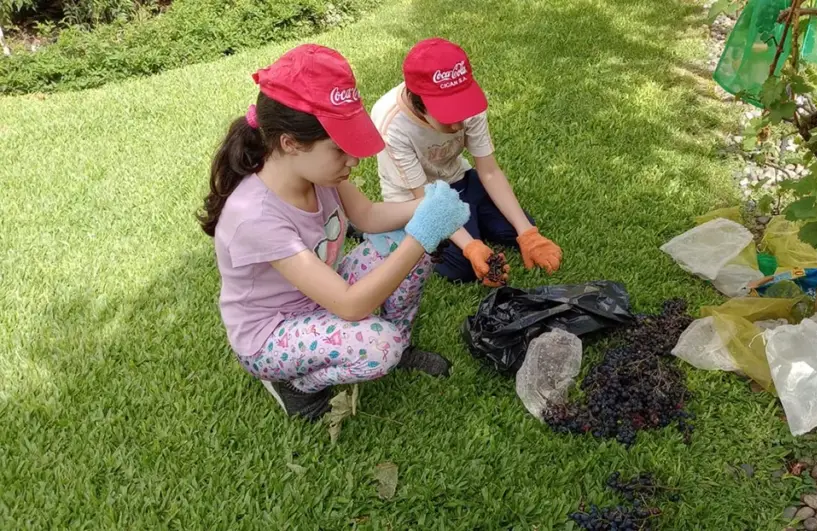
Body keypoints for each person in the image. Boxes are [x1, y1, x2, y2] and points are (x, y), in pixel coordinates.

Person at [197, 44, 470, 422]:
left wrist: (427, 205)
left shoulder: (317, 172)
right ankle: (294, 384)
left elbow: (369, 216)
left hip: (319, 295)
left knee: (404, 250)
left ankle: (402, 344)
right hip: (271, 334)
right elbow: (350, 304)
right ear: (290, 144)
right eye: (340, 149)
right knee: (380, 347)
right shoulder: (254, 218)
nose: (353, 161)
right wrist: (422, 233)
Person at [368, 37, 563, 287]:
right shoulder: (391, 124)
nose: (460, 124)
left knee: (519, 227)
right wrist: (470, 246)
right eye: (449, 117)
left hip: (459, 180)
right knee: (462, 268)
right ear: (419, 105)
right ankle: (394, 230)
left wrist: (528, 234)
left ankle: (475, 222)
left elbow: (489, 171)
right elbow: (426, 198)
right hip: (416, 200)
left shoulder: (467, 99)